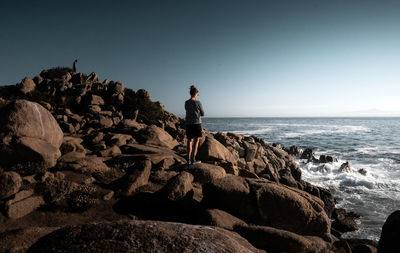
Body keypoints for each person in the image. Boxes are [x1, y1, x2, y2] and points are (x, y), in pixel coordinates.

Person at [185, 85, 204, 164]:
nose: (197, 95)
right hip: (197, 123)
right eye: (197, 94)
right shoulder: (198, 102)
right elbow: (202, 113)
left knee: (189, 141)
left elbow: (187, 111)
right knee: (196, 141)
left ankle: (188, 160)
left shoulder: (186, 102)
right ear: (195, 93)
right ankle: (193, 159)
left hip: (188, 123)